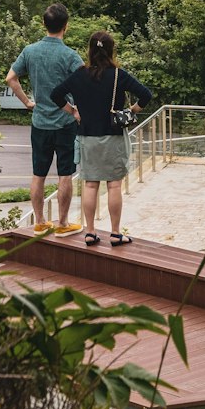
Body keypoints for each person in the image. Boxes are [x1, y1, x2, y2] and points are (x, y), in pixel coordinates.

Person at [50, 31, 152, 247]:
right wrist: (131, 111)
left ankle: (90, 232)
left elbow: (55, 94)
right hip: (113, 137)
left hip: (87, 137)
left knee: (90, 185)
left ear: (90, 50)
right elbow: (146, 95)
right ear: (111, 50)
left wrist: (73, 112)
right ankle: (115, 234)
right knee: (114, 186)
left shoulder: (79, 75)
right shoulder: (118, 75)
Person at [5, 2, 82, 234]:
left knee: (38, 174)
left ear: (43, 24)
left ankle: (39, 222)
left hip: (39, 123)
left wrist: (28, 102)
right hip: (65, 123)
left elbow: (11, 78)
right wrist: (77, 110)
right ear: (65, 26)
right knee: (65, 173)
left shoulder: (30, 51)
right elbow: (84, 86)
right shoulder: (70, 56)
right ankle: (63, 224)